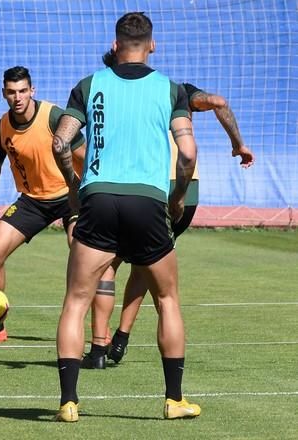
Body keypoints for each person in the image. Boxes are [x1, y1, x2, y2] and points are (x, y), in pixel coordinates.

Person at [51, 12, 200, 421]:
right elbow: (187, 154)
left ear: (115, 46)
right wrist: (178, 197)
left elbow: (60, 142)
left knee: (75, 302)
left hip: (97, 197)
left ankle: (68, 402)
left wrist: (73, 188)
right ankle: (174, 400)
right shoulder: (170, 90)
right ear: (152, 45)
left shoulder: (88, 86)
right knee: (167, 299)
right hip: (148, 202)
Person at [81, 51, 256, 368]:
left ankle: (97, 350)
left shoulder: (110, 95)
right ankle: (120, 338)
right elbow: (218, 101)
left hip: (149, 188)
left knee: (108, 264)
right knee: (146, 264)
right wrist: (237, 144)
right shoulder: (174, 90)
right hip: (187, 192)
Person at [0, 66, 85, 344]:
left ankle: (98, 334)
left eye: (22, 91)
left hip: (71, 196)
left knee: (82, 258)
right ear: (3, 93)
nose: (17, 97)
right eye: (11, 92)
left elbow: (85, 157)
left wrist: (91, 196)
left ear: (32, 91)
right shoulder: (2, 129)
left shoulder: (54, 117)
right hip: (32, 201)